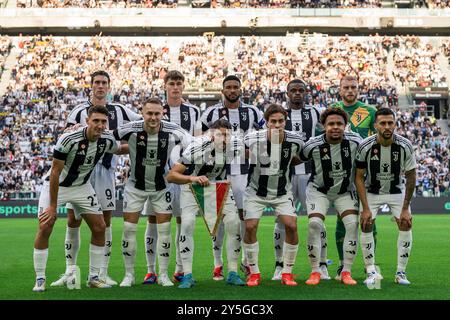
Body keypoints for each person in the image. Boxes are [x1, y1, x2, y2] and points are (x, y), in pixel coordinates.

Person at [51, 70, 142, 288]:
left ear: (109, 87)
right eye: (97, 82)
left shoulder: (120, 109)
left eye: (104, 83)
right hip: (80, 172)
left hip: (106, 170)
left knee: (105, 221)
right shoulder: (78, 110)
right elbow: (65, 137)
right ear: (91, 85)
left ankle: (101, 273)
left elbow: (143, 122)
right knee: (73, 220)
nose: (100, 86)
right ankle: (69, 271)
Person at [32, 105, 127, 292]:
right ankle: (40, 278)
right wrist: (52, 206)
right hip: (58, 186)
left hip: (82, 187)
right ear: (87, 121)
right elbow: (55, 172)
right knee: (45, 226)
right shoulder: (68, 139)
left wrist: (142, 144)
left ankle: (93, 277)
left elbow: (119, 149)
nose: (100, 125)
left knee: (100, 227)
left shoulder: (106, 139)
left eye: (103, 122)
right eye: (96, 121)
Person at [113, 97, 191, 287]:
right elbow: (107, 137)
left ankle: (163, 274)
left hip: (161, 186)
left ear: (162, 114)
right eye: (149, 113)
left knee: (164, 231)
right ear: (143, 113)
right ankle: (129, 275)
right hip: (135, 186)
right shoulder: (131, 128)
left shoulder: (173, 130)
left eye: (157, 113)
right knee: (129, 230)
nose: (153, 117)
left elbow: (193, 144)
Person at [166, 119, 245, 288]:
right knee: (187, 224)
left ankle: (232, 272)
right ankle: (187, 275)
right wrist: (192, 177)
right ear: (211, 135)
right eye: (219, 134)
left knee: (234, 223)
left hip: (220, 185)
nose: (223, 139)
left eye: (227, 135)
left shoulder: (235, 145)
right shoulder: (197, 147)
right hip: (193, 186)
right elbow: (172, 175)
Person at [200, 75, 264, 280]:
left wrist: (250, 153)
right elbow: (200, 140)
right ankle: (217, 263)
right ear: (223, 90)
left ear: (241, 89)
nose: (232, 90)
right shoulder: (211, 112)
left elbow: (263, 139)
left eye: (235, 86)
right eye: (228, 87)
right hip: (219, 173)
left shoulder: (253, 111)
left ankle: (246, 260)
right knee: (218, 219)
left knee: (245, 217)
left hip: (245, 173)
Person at [142, 70, 201, 285]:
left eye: (178, 83)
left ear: (183, 86)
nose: (175, 87)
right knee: (154, 219)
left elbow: (196, 142)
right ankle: (151, 270)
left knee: (180, 220)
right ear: (165, 85)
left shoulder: (193, 111)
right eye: (171, 83)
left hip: (181, 173)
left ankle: (179, 269)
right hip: (156, 173)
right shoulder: (156, 109)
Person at [271, 79, 328, 281]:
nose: (297, 94)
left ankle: (322, 265)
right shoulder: (279, 115)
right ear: (287, 93)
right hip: (284, 175)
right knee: (281, 220)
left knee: (317, 220)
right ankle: (280, 266)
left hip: (310, 173)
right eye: (293, 90)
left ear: (306, 93)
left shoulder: (315, 112)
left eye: (300, 90)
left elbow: (329, 131)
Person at [243, 104, 303, 287]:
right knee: (251, 227)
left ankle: (287, 272)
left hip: (282, 192)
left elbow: (299, 158)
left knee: (291, 225)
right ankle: (254, 273)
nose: (277, 125)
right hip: (255, 192)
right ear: (266, 123)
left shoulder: (295, 140)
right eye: (273, 121)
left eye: (281, 121)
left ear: (286, 122)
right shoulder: (252, 139)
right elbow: (241, 152)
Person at [300, 108, 361, 286]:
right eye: (331, 124)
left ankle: (346, 272)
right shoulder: (312, 144)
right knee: (314, 224)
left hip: (345, 191)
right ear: (323, 126)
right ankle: (315, 271)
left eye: (339, 124)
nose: (335, 127)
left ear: (345, 126)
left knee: (352, 224)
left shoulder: (356, 141)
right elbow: (297, 158)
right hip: (319, 190)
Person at [355, 108, 416, 285]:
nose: (387, 126)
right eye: (383, 123)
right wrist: (365, 208)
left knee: (406, 223)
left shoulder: (405, 145)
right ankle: (371, 271)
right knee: (366, 224)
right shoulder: (365, 146)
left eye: (390, 123)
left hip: (396, 190)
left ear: (395, 124)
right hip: (372, 192)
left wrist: (405, 208)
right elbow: (358, 177)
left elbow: (411, 176)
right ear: (375, 125)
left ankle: (401, 273)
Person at [330, 75, 378, 280]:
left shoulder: (370, 111)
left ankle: (371, 267)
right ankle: (343, 265)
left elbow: (378, 141)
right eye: (346, 87)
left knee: (369, 221)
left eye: (353, 87)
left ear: (358, 89)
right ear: (340, 89)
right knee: (342, 222)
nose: (350, 90)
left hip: (365, 174)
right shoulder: (333, 109)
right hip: (341, 175)